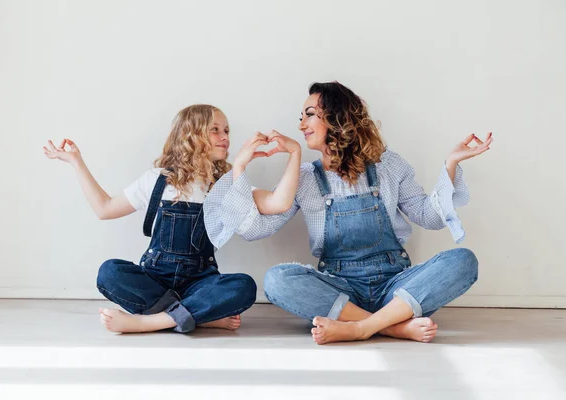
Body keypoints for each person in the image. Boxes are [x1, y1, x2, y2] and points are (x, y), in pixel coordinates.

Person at [204, 82, 492, 344]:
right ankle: (390, 326)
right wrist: (239, 169)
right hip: (342, 291)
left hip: (396, 287)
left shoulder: (388, 165)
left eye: (309, 114)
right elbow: (256, 230)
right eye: (301, 117)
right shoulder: (304, 178)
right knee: (277, 280)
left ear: (337, 116)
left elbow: (429, 217)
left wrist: (451, 164)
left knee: (463, 260)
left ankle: (358, 328)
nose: (301, 124)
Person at [42, 104, 296, 334]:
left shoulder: (225, 186)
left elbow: (279, 203)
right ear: (191, 135)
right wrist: (76, 161)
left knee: (244, 286)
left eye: (227, 131)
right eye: (215, 130)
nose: (225, 137)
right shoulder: (156, 180)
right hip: (156, 280)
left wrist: (294, 153)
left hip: (200, 282)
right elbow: (104, 208)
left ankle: (151, 321)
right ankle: (197, 315)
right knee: (109, 272)